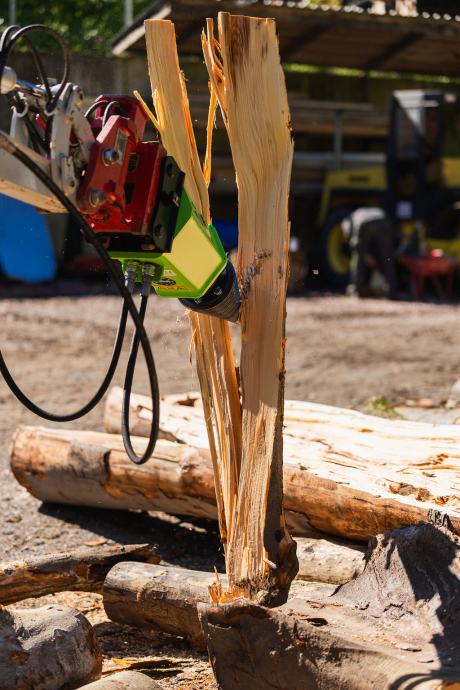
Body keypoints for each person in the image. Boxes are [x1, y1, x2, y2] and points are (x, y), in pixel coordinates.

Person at [345, 207, 399, 299]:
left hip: (365, 224)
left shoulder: (349, 220)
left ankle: (357, 289)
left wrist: (363, 253)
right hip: (383, 221)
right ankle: (392, 291)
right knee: (387, 259)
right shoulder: (363, 212)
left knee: (358, 258)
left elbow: (354, 243)